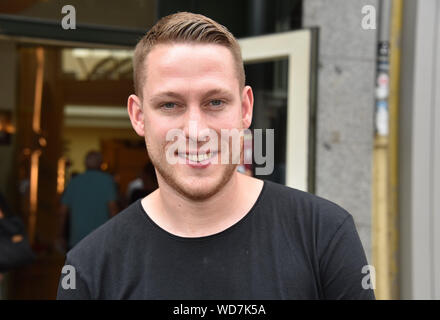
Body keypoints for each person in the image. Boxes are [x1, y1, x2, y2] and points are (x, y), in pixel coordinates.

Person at [57, 12, 375, 299]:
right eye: (170, 104)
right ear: (138, 116)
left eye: (215, 103)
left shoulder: (323, 235)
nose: (196, 131)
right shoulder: (90, 270)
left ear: (246, 108)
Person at [57, 151, 118, 251]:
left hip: (77, 240)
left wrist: (60, 236)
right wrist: (116, 235)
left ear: (84, 163)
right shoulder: (107, 181)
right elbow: (113, 210)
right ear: (101, 163)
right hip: (101, 239)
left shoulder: (74, 182)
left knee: (75, 267)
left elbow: (62, 212)